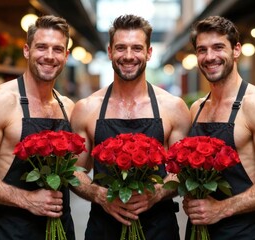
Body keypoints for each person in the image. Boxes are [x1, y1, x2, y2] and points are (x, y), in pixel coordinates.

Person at [70, 14, 191, 240]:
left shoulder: (173, 107)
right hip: (103, 227)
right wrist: (99, 194)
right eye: (120, 48)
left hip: (159, 228)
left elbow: (181, 171)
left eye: (136, 48)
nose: (128, 56)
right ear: (109, 52)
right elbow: (76, 170)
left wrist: (155, 194)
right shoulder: (86, 108)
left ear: (148, 52)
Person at [0, 15, 76, 240]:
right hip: (11, 232)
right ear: (26, 50)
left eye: (58, 49)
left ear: (66, 55)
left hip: (62, 231)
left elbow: (77, 169)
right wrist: (27, 199)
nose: (49, 56)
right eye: (41, 47)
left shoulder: (67, 106)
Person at [182, 16, 255, 239]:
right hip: (198, 231)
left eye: (218, 47)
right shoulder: (197, 107)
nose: (210, 57)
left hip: (245, 232)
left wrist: (220, 209)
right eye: (202, 50)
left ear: (236, 50)